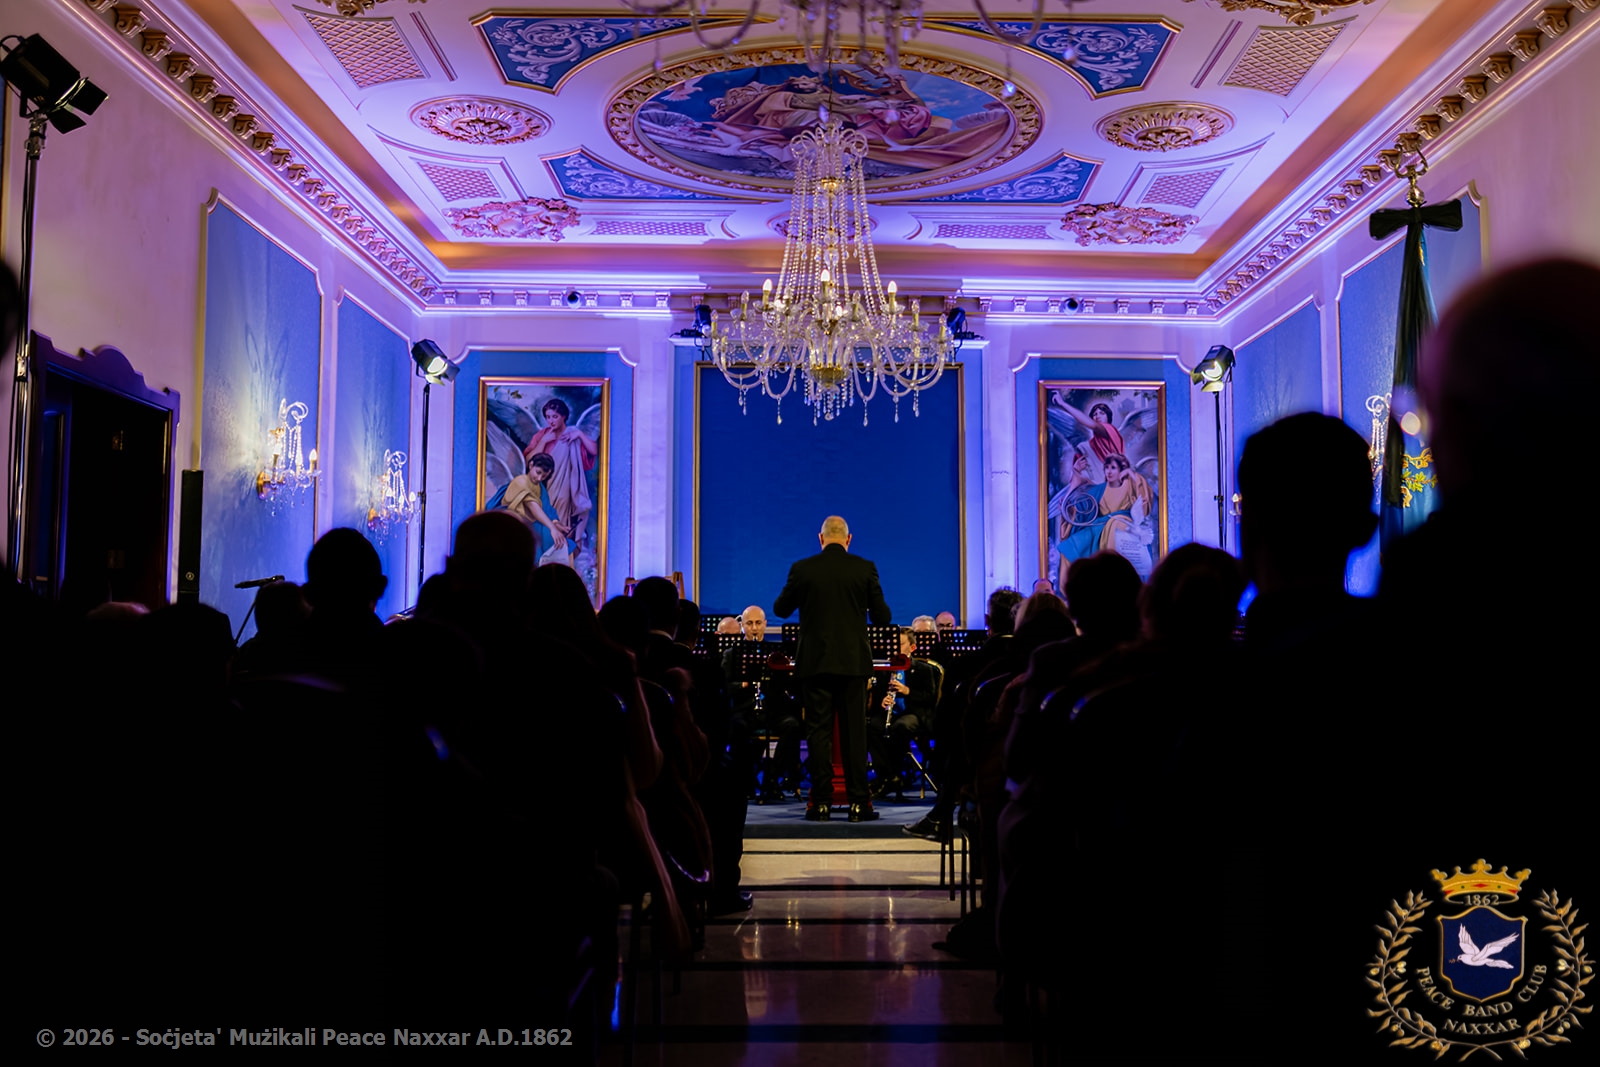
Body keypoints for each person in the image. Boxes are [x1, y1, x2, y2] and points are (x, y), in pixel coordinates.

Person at [773, 515, 891, 822]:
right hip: (853, 664)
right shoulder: (864, 568)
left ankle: (821, 803)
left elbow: (780, 609)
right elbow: (882, 616)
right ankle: (859, 804)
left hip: (815, 663)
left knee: (818, 733)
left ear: (820, 538)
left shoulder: (802, 569)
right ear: (849, 539)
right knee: (855, 734)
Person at [723, 605, 801, 799]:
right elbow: (724, 686)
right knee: (738, 727)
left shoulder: (775, 654)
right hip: (745, 710)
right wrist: (744, 684)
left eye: (758, 623)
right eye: (749, 623)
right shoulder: (732, 654)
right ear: (742, 626)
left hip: (771, 710)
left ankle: (771, 779)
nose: (754, 628)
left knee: (792, 726)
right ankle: (746, 783)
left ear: (765, 624)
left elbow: (788, 687)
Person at [867, 627, 939, 799]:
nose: (895, 648)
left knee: (900, 727)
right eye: (893, 645)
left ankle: (894, 775)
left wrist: (907, 691)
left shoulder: (923, 669)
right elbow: (877, 696)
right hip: (893, 713)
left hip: (915, 713)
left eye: (899, 644)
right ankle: (888, 776)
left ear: (912, 648)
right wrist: (883, 701)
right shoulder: (886, 669)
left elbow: (930, 698)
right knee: (871, 726)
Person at [521, 398, 597, 554]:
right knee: (546, 517)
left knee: (563, 520)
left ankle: (561, 553)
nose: (551, 421)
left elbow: (594, 450)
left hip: (569, 488)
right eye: (548, 417)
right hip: (545, 486)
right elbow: (529, 461)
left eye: (555, 416)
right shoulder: (542, 435)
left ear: (564, 416)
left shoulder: (573, 434)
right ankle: (547, 553)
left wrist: (580, 434)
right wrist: (543, 442)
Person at [495, 452, 569, 564]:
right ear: (531, 465)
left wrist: (556, 523)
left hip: (530, 523)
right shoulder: (521, 481)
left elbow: (546, 508)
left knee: (558, 540)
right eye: (538, 472)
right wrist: (552, 528)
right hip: (513, 523)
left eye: (544, 476)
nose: (539, 478)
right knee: (543, 536)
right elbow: (533, 506)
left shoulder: (539, 487)